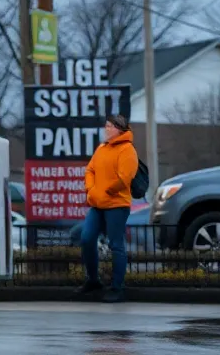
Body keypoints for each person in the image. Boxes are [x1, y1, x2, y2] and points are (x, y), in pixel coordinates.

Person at [77, 114, 138, 303]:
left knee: (116, 245)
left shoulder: (127, 150)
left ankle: (117, 288)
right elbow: (90, 170)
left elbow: (124, 178)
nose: (107, 129)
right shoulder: (102, 148)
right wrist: (90, 189)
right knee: (86, 238)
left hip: (117, 205)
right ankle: (93, 280)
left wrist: (105, 191)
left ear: (120, 129)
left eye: (110, 126)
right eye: (106, 126)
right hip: (97, 205)